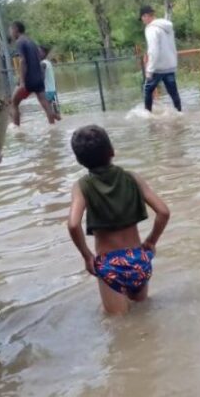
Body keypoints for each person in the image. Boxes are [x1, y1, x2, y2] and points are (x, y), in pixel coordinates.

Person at [67, 125, 171, 315]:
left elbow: (73, 224)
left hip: (110, 265)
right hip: (139, 259)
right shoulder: (132, 178)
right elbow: (163, 212)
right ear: (112, 151)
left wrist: (87, 255)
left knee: (118, 326)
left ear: (80, 161)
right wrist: (151, 241)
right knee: (143, 314)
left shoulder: (82, 186)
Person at [8, 21, 57, 126]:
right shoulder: (31, 41)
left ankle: (17, 130)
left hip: (28, 80)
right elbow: (38, 58)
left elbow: (22, 61)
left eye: (11, 30)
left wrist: (21, 82)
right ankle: (53, 126)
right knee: (45, 104)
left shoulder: (20, 42)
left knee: (14, 103)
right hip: (38, 79)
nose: (10, 33)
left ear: (16, 29)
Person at [140, 5, 182, 112]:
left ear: (146, 16)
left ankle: (148, 116)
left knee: (147, 91)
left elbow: (153, 50)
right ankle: (179, 113)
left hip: (157, 68)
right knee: (173, 93)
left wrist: (149, 69)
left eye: (142, 17)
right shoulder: (167, 27)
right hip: (170, 65)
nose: (142, 20)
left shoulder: (151, 29)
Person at [40, 44, 61, 120]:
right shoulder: (48, 62)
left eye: (39, 51)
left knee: (48, 110)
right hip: (52, 90)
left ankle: (53, 125)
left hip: (47, 91)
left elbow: (41, 78)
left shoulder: (43, 64)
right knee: (53, 110)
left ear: (44, 53)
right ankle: (57, 122)